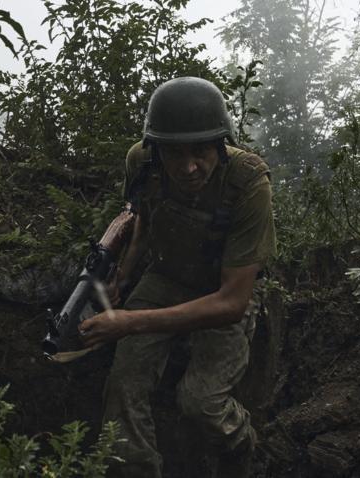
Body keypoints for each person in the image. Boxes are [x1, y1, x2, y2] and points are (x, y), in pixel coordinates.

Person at [77, 76, 276, 478]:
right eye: (174, 154)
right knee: (123, 385)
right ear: (156, 149)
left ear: (222, 144)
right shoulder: (142, 161)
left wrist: (129, 322)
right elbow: (144, 218)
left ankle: (243, 449)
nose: (188, 167)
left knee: (201, 403)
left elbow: (232, 302)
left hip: (224, 288)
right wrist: (123, 276)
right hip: (166, 277)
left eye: (201, 152)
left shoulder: (248, 180)